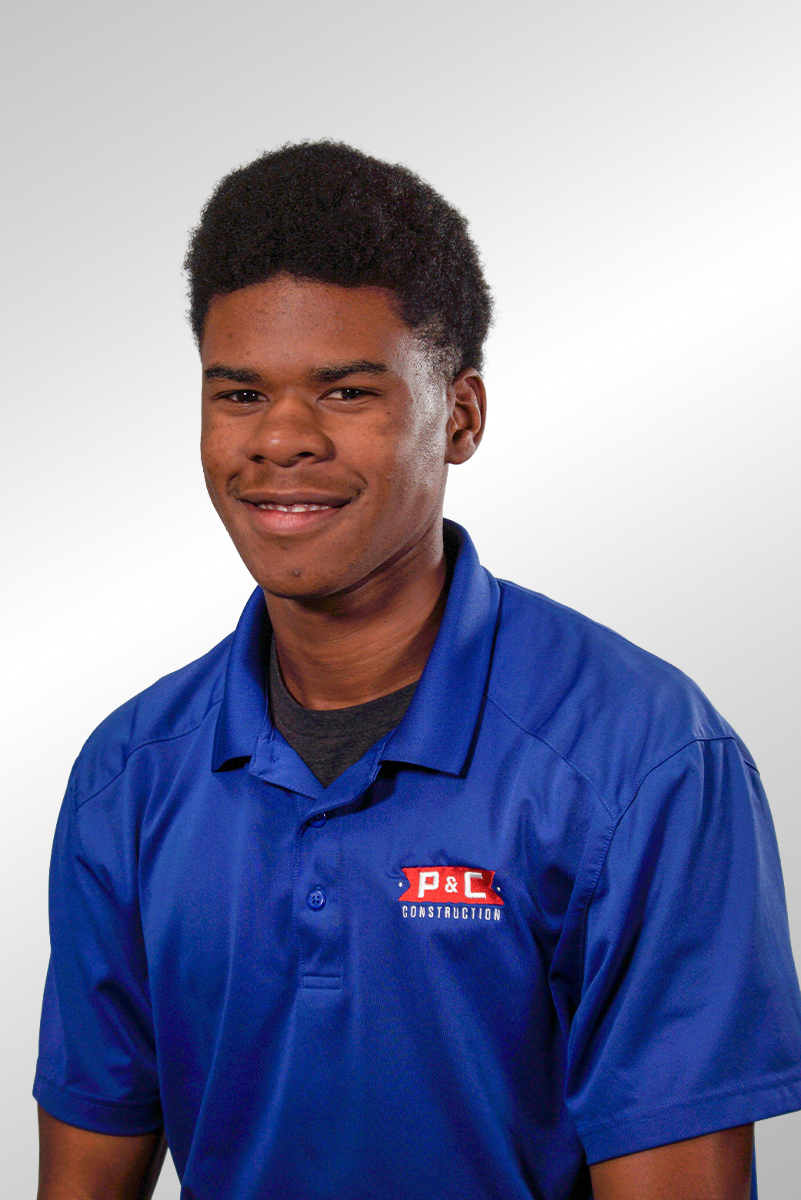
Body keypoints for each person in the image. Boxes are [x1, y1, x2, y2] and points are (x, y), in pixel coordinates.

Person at [34, 141, 801, 1200]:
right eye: (241, 394)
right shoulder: (129, 774)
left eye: (347, 393)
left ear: (463, 417)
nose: (282, 441)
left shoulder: (649, 762)